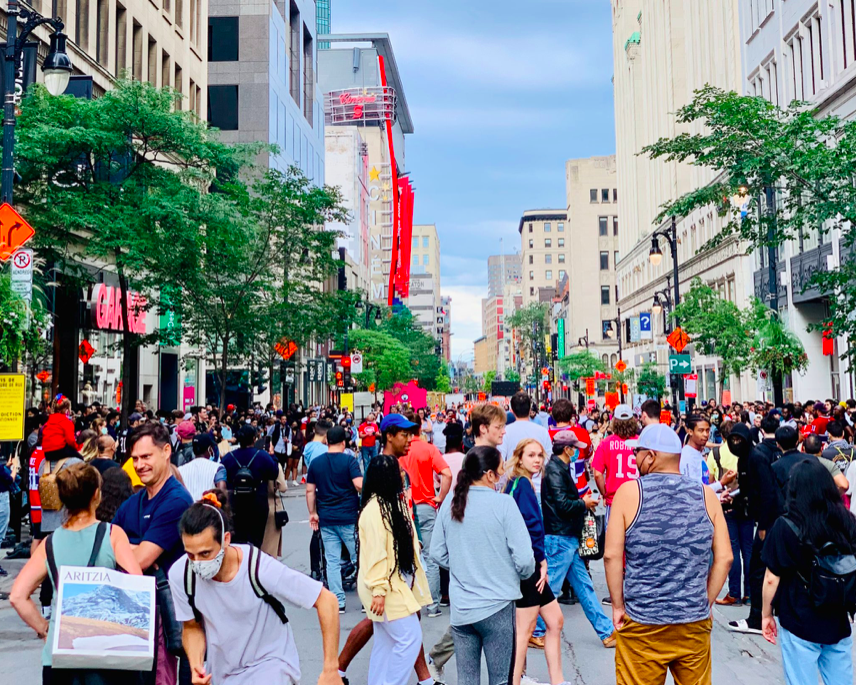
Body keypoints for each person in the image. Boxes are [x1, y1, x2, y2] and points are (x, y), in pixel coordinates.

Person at [604, 423, 733, 685]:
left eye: (636, 454)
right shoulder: (706, 495)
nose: (634, 459)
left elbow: (612, 556)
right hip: (692, 623)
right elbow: (725, 558)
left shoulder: (630, 492)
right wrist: (705, 601)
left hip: (642, 620)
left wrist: (618, 605)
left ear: (650, 456)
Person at [170, 491, 343, 685]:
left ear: (226, 539)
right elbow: (191, 626)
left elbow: (326, 600)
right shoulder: (181, 574)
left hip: (271, 665)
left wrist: (330, 669)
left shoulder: (258, 567)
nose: (198, 562)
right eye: (190, 554)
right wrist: (196, 666)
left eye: (205, 553)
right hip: (222, 673)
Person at [10, 463, 143, 685]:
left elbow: (17, 596)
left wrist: (45, 629)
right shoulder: (112, 534)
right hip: (107, 652)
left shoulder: (49, 543)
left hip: (60, 654)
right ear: (96, 494)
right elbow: (137, 585)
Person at [431, 446, 535, 685]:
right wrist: (513, 572)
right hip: (498, 605)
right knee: (500, 679)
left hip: (462, 609)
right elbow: (525, 561)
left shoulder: (450, 503)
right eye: (499, 472)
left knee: (467, 679)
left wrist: (461, 564)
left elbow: (436, 552)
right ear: (489, 475)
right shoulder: (504, 505)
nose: (501, 478)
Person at [113, 421, 195, 685]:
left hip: (164, 614)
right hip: (132, 617)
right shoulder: (132, 503)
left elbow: (139, 560)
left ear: (167, 451)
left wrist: (125, 546)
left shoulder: (176, 500)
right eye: (135, 458)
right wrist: (129, 547)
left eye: (146, 456)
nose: (139, 465)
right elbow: (106, 547)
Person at [761, 459, 856, 685]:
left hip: (799, 616)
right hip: (838, 617)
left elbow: (771, 579)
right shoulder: (848, 521)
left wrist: (766, 614)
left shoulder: (786, 525)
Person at [358, 455, 432, 685]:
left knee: (386, 642)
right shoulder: (373, 510)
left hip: (394, 581)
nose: (402, 474)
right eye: (398, 472)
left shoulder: (394, 502)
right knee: (410, 637)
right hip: (383, 585)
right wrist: (379, 591)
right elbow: (376, 554)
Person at [542, 429, 616, 647]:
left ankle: (606, 632)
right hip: (560, 536)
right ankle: (534, 630)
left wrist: (582, 502)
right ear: (567, 449)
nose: (577, 453)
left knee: (584, 587)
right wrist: (584, 503)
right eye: (575, 449)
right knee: (552, 590)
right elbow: (563, 505)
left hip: (566, 536)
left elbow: (562, 501)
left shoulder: (559, 468)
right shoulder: (555, 470)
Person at [504, 439, 566, 685]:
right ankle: (515, 681)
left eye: (540, 455)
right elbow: (532, 527)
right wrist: (541, 560)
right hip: (528, 565)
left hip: (522, 563)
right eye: (531, 455)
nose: (537, 460)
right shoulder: (523, 485)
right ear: (520, 458)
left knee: (554, 620)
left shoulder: (513, 484)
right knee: (525, 630)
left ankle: (557, 680)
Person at [399, 412, 453, 618]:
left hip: (404, 506)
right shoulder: (429, 449)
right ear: (420, 427)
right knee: (430, 557)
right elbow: (447, 473)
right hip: (426, 505)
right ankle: (432, 605)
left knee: (404, 555)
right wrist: (440, 496)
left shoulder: (399, 451)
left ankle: (408, 603)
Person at [306, 426, 363, 613]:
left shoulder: (316, 463)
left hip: (327, 517)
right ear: (344, 443)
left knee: (332, 561)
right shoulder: (350, 461)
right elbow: (358, 485)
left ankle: (339, 601)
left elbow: (310, 491)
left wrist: (312, 513)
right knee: (358, 558)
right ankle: (366, 599)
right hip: (348, 516)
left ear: (326, 441)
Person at [216, 424, 280, 548]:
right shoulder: (262, 456)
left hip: (235, 501)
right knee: (256, 538)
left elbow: (222, 474)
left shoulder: (229, 457)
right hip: (258, 501)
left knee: (237, 538)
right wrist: (272, 455)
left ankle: (239, 563)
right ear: (254, 439)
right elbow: (274, 473)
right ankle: (252, 563)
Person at [713, 424, 755, 606]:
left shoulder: (716, 453)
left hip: (727, 504)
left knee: (732, 550)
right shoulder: (748, 453)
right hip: (746, 506)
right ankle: (750, 593)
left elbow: (711, 479)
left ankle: (735, 593)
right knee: (748, 550)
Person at [591, 404, 639, 523]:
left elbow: (597, 474)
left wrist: (604, 494)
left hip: (614, 500)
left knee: (613, 538)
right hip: (637, 498)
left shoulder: (606, 443)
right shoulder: (641, 442)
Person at [179, 432, 223, 502]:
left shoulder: (180, 470)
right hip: (209, 511)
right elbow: (222, 493)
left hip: (187, 511)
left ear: (194, 450)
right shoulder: (218, 468)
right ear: (209, 449)